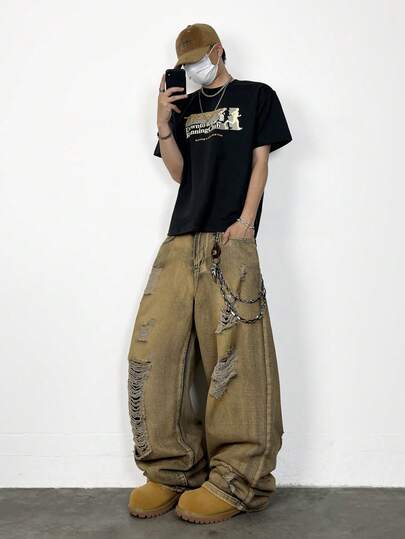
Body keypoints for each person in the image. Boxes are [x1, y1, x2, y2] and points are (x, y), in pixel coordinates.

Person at [127, 22, 292, 524]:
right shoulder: (185, 106)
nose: (195, 68)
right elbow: (181, 173)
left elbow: (260, 163)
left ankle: (239, 479)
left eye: (201, 58)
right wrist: (163, 122)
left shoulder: (257, 96)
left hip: (230, 239)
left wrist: (245, 223)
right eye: (187, 63)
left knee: (235, 360)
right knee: (157, 352)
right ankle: (170, 469)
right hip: (181, 237)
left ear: (218, 51)